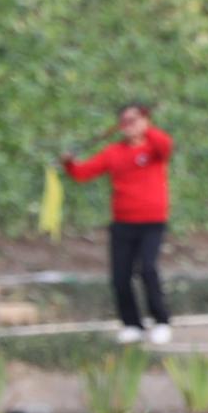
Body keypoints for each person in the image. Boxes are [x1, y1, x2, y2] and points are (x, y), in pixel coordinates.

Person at [61, 102, 174, 346]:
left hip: (152, 221)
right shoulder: (114, 152)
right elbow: (82, 173)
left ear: (145, 121)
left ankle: (161, 321)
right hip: (123, 222)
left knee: (148, 269)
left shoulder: (155, 148)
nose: (129, 126)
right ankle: (132, 324)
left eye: (134, 120)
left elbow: (166, 145)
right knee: (120, 277)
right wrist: (69, 163)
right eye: (125, 121)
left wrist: (145, 125)